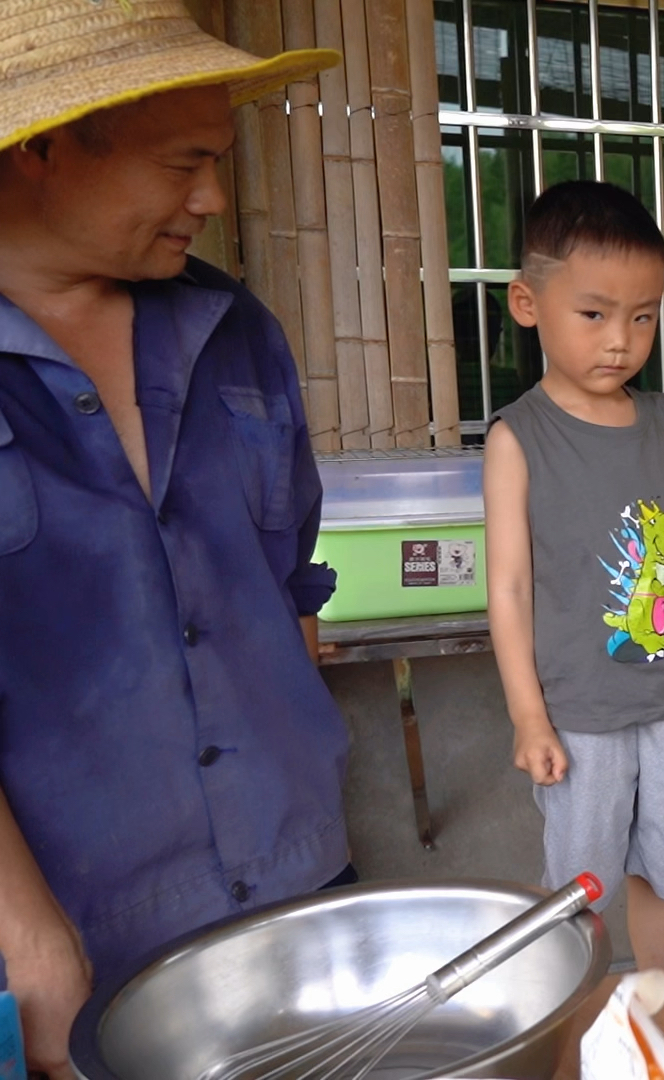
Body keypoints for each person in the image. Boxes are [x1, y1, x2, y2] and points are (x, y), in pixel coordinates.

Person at [0, 3, 351, 1075]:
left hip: (294, 896)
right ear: (42, 148)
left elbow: (289, 583)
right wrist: (27, 937)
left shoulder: (236, 332)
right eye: (185, 163)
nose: (212, 199)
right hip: (72, 938)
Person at [484, 181, 664, 971]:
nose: (621, 340)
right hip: (580, 717)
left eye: (643, 316)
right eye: (594, 314)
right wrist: (529, 718)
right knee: (582, 887)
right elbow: (507, 588)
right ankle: (578, 1025)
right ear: (527, 303)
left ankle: (659, 1017)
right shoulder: (519, 437)